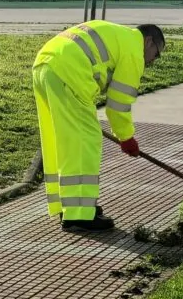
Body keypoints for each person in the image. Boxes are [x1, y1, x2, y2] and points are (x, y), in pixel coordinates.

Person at [32, 21, 165, 232]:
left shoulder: (119, 34)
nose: (152, 61)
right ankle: (80, 216)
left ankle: (71, 206)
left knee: (65, 140)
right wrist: (126, 137)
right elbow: (118, 105)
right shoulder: (133, 52)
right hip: (70, 73)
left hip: (44, 65)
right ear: (148, 41)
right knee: (86, 142)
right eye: (156, 54)